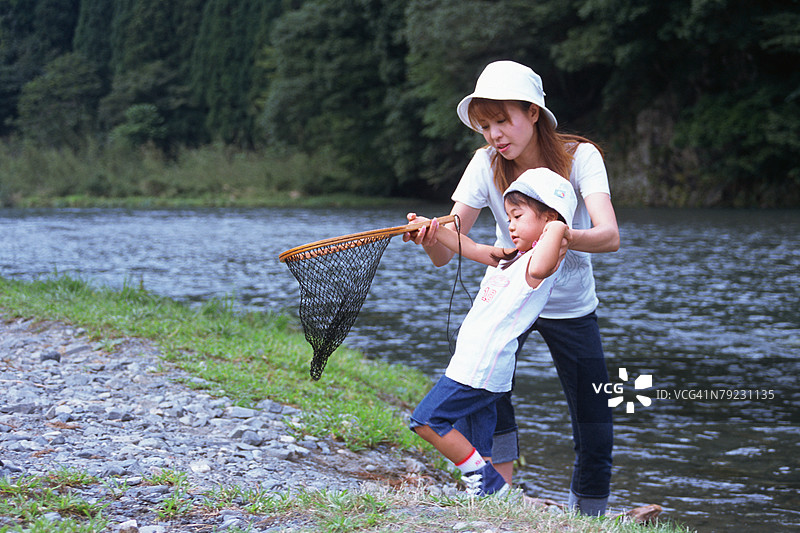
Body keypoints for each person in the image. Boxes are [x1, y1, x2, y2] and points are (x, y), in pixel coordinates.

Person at [405, 60, 619, 516]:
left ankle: (590, 516)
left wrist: (557, 236)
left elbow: (609, 236)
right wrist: (430, 237)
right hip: (510, 296)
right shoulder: (485, 164)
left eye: (503, 120)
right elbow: (448, 249)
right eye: (484, 125)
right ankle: (495, 499)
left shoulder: (580, 157)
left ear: (534, 112)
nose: (494, 135)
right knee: (486, 391)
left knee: (595, 421)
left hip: (570, 306)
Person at [409, 168, 577, 498]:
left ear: (548, 220)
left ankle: (484, 479)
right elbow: (467, 245)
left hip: (480, 369)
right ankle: (487, 497)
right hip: (475, 366)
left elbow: (544, 261)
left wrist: (558, 225)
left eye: (517, 216)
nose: (510, 224)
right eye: (508, 216)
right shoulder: (509, 258)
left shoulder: (537, 266)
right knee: (477, 442)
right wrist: (430, 227)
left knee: (426, 421)